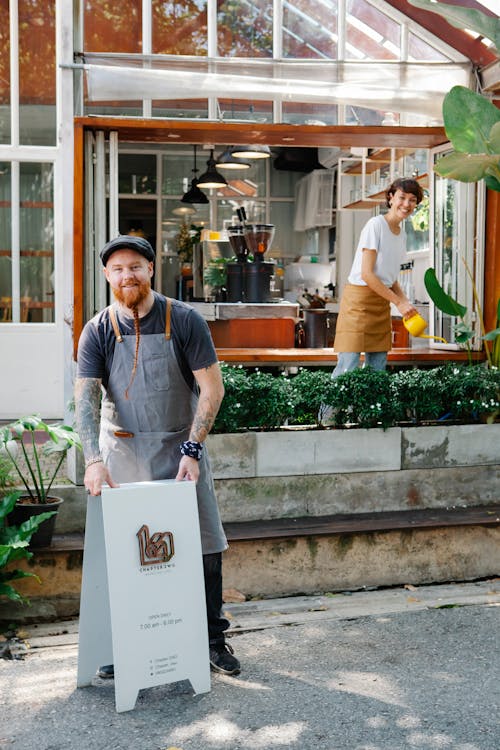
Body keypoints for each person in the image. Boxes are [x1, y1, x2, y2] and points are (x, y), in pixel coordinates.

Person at [74, 234, 240, 678]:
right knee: (125, 552)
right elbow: (86, 402)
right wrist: (93, 460)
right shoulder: (98, 330)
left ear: (150, 270)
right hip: (123, 453)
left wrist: (193, 449)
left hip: (181, 450)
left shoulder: (184, 320)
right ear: (107, 276)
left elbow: (212, 389)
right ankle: (120, 645)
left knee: (204, 545)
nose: (127, 275)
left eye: (135, 266)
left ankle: (211, 641)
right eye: (117, 269)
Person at [332, 177, 423, 376]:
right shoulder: (376, 225)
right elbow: (367, 274)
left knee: (377, 370)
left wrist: (406, 302)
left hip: (381, 305)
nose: (406, 204)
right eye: (402, 197)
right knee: (347, 368)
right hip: (359, 302)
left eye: (412, 200)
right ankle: (328, 410)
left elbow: (390, 277)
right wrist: (399, 303)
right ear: (391, 198)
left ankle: (369, 408)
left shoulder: (402, 234)